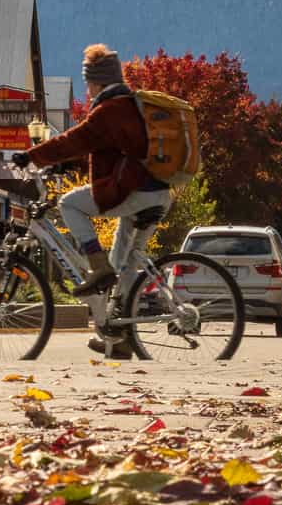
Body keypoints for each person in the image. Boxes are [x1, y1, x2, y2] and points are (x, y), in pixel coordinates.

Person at [12, 45, 170, 351]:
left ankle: (96, 266)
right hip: (155, 192)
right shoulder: (127, 106)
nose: (87, 89)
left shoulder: (109, 110)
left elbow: (75, 139)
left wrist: (31, 156)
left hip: (136, 191)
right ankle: (120, 338)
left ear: (97, 82)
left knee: (69, 203)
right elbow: (103, 152)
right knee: (123, 264)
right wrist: (64, 164)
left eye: (88, 83)